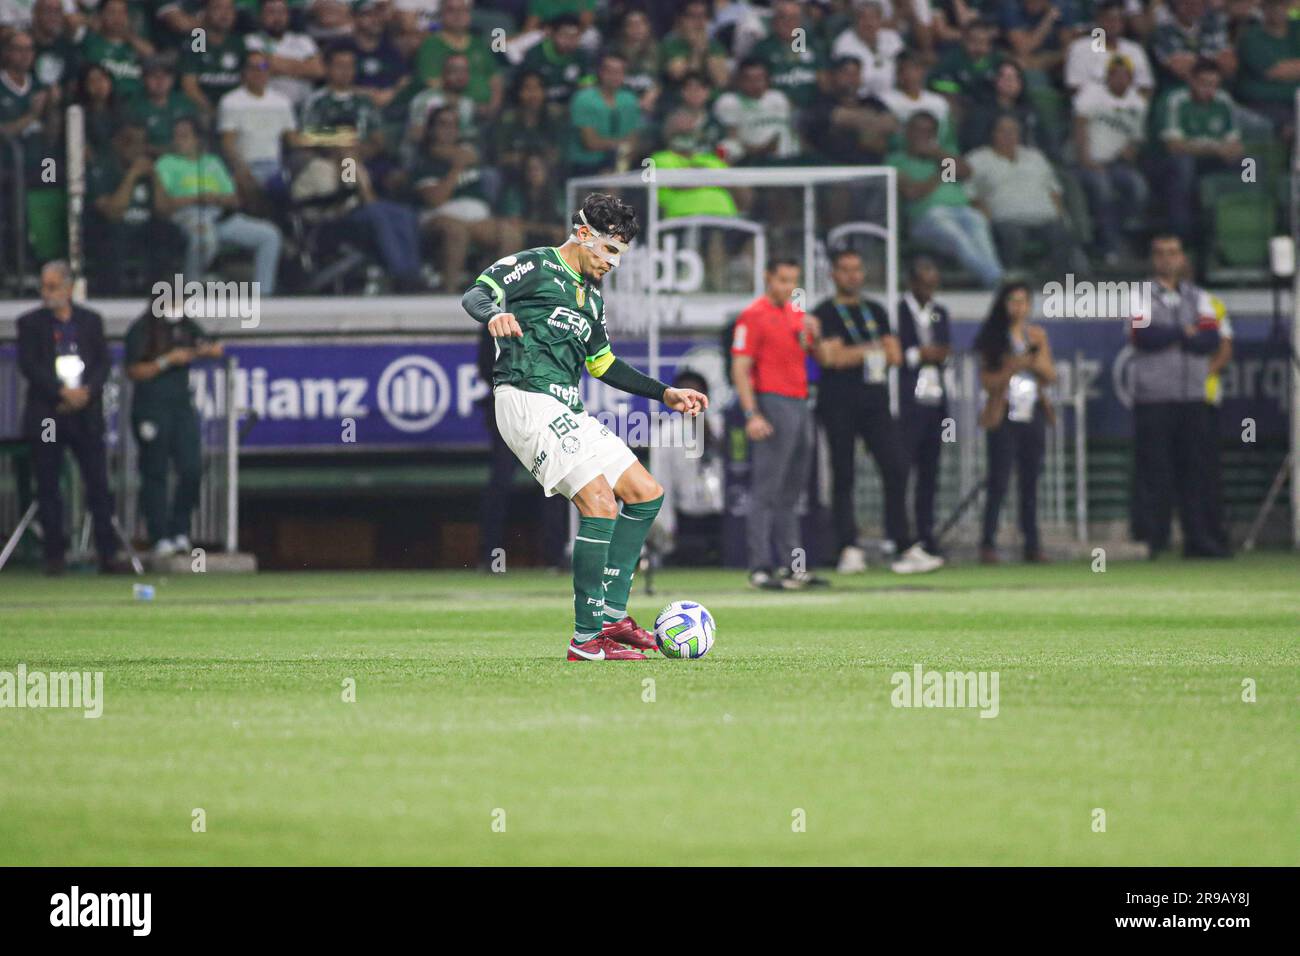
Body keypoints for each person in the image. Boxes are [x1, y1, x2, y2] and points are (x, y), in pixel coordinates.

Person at [459, 192, 709, 661]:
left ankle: (612, 617)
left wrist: (665, 393)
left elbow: (603, 364)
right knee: (599, 501)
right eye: (609, 250)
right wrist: (495, 313)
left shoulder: (591, 299)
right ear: (583, 234)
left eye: (621, 254)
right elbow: (476, 293)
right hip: (526, 399)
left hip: (568, 409)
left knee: (645, 492)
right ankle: (586, 637)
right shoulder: (535, 265)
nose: (613, 262)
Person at [813, 248, 943, 575]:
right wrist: (871, 350)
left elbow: (895, 354)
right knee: (843, 473)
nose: (852, 276)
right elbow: (829, 358)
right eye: (845, 270)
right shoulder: (824, 312)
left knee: (897, 466)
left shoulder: (876, 310)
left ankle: (902, 544)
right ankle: (848, 546)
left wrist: (852, 352)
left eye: (857, 269)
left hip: (875, 401)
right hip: (838, 401)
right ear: (833, 275)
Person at [17, 261, 125, 575]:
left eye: (52, 286)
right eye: (44, 287)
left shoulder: (91, 321)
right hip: (50, 416)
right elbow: (30, 366)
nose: (46, 293)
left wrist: (86, 392)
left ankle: (107, 553)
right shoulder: (31, 324)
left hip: (85, 415)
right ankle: (54, 555)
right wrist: (60, 392)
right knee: (49, 482)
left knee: (97, 482)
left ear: (68, 288)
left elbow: (103, 362)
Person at [730, 258, 828, 590]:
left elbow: (817, 358)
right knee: (766, 490)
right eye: (782, 279)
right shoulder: (752, 315)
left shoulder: (797, 316)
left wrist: (814, 335)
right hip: (771, 402)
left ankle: (791, 565)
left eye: (793, 281)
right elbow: (740, 368)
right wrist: (751, 413)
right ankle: (759, 567)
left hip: (801, 403)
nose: (788, 287)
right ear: (768, 277)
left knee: (792, 492)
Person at [1128, 235, 1225, 558]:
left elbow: (1211, 339)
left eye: (1173, 253)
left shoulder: (1199, 296)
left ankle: (1198, 539)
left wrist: (1175, 335)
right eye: (1160, 254)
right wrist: (1185, 332)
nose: (1167, 259)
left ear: (1183, 258)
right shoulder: (1140, 295)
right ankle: (1154, 541)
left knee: (1196, 471)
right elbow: (1143, 336)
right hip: (1154, 396)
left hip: (1192, 396)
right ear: (1152, 259)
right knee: (1156, 470)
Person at [123, 295, 223, 557]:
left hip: (181, 408)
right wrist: (166, 361)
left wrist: (196, 352)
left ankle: (180, 529)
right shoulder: (141, 329)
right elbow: (134, 370)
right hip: (151, 407)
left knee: (191, 467)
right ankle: (159, 535)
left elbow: (214, 348)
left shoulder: (186, 326)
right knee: (155, 471)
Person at [974, 281, 1056, 564]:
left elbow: (1049, 374)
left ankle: (1032, 543)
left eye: (1023, 301)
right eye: (1012, 301)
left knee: (1031, 480)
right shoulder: (993, 338)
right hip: (1004, 413)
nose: (1018, 307)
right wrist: (1011, 367)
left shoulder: (1036, 336)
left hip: (1032, 411)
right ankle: (988, 541)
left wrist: (1029, 362)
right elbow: (988, 382)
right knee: (999, 479)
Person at [153, 115, 282, 294]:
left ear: (197, 139)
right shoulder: (166, 163)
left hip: (220, 215)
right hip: (187, 215)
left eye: (184, 136)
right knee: (204, 238)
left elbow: (234, 199)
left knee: (269, 235)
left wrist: (216, 198)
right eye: (176, 136)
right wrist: (196, 198)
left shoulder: (212, 162)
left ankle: (263, 296)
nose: (178, 141)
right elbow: (164, 204)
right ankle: (191, 287)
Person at [896, 256, 952, 557]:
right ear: (912, 282)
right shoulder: (898, 312)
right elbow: (897, 351)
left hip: (935, 401)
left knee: (930, 474)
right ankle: (902, 538)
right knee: (902, 472)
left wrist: (937, 354)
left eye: (934, 285)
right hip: (907, 404)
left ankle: (926, 535)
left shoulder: (940, 313)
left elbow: (945, 351)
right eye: (924, 284)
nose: (930, 290)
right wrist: (919, 354)